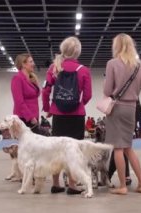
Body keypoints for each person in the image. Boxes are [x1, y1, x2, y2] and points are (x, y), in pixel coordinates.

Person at [42, 36, 92, 195]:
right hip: (76, 115)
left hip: (58, 114)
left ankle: (56, 184)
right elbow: (88, 95)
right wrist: (80, 103)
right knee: (74, 150)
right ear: (78, 52)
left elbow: (45, 90)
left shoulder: (53, 68)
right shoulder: (84, 70)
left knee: (57, 150)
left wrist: (48, 108)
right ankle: (72, 184)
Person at [103, 33, 141, 195]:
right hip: (132, 108)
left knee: (118, 148)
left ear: (116, 46)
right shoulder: (140, 66)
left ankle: (122, 185)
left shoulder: (112, 63)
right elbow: (138, 89)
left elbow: (107, 91)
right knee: (128, 147)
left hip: (116, 108)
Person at [11, 53, 41, 133]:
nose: (33, 64)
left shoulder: (32, 79)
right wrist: (30, 117)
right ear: (23, 64)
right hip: (24, 118)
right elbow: (19, 102)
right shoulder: (17, 78)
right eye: (31, 62)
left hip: (34, 117)